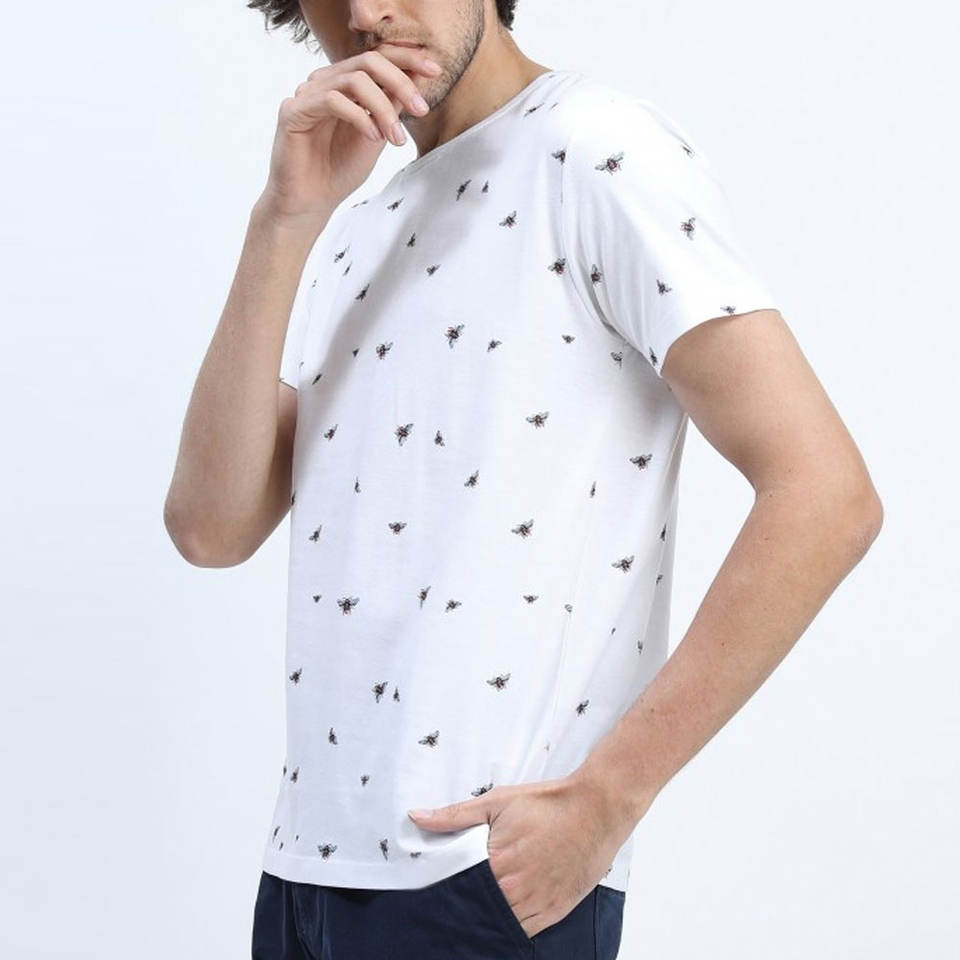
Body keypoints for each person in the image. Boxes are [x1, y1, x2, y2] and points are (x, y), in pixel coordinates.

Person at [162, 1, 884, 957]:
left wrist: (609, 798)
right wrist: (283, 221)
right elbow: (210, 527)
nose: (366, 12)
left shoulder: (594, 149)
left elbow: (826, 494)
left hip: (479, 875)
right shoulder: (354, 224)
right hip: (307, 873)